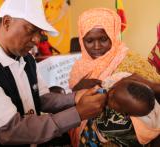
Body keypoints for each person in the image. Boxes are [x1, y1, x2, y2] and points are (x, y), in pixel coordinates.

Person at [0, 1, 107, 147]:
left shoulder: (27, 59)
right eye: (31, 30)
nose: (37, 40)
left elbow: (42, 98)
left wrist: (75, 98)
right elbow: (11, 131)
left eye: (39, 32)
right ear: (7, 22)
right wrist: (78, 113)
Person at [68, 8, 160, 147]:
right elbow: (72, 100)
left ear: (113, 34)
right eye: (89, 40)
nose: (97, 46)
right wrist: (77, 88)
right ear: (81, 40)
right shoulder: (79, 67)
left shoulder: (131, 63)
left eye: (104, 39)